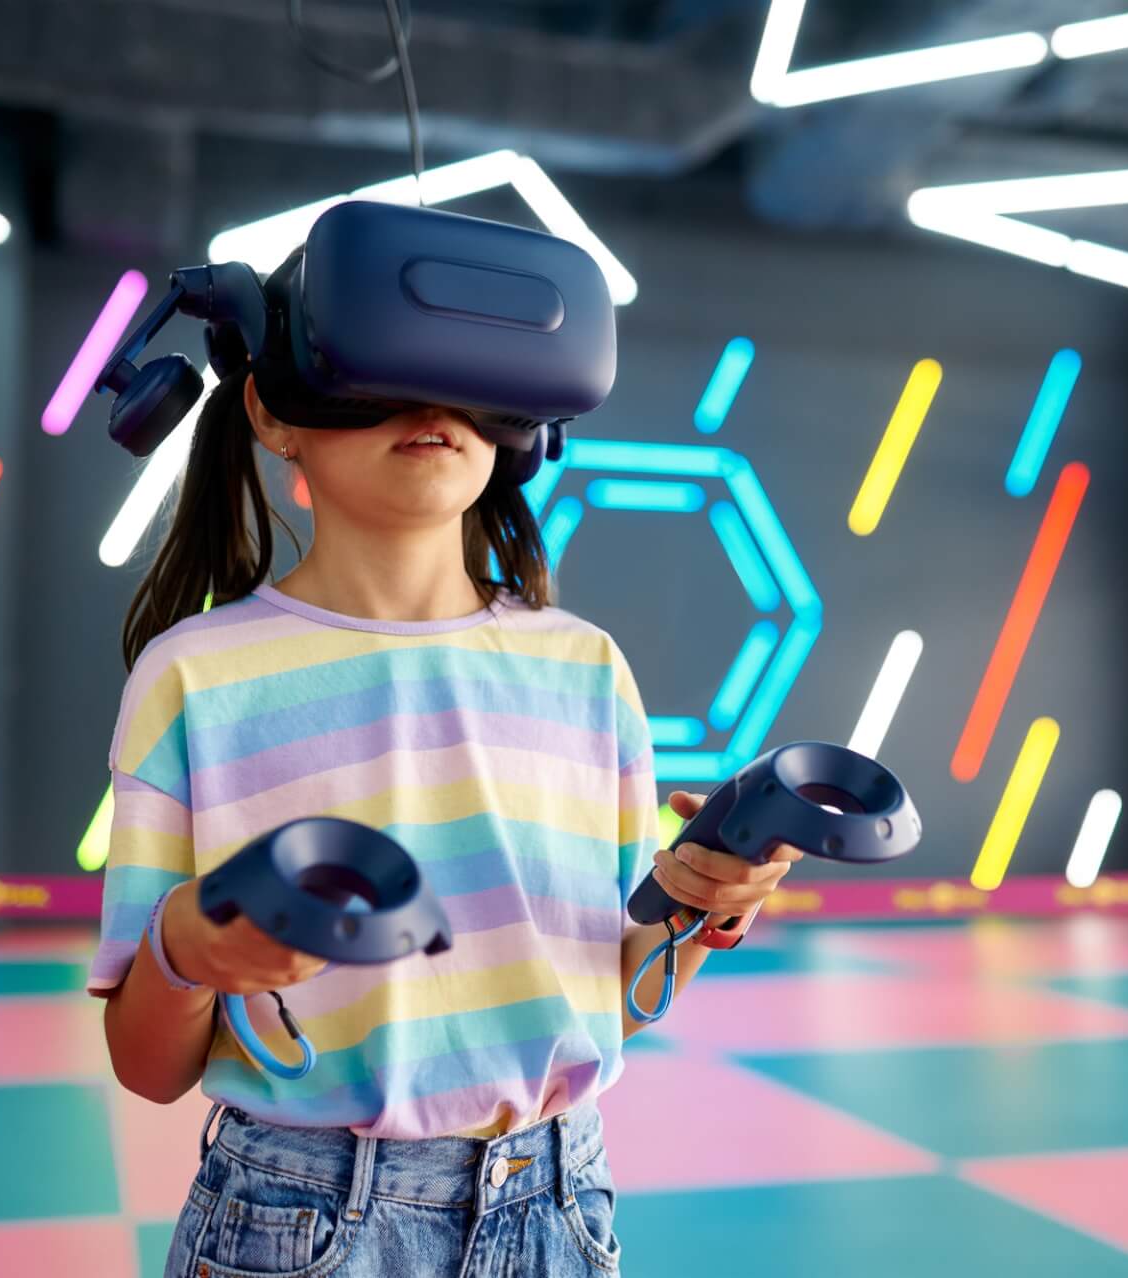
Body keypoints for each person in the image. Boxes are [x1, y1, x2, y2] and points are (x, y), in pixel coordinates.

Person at [86, 358, 801, 1277]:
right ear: (272, 410)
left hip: (560, 1210)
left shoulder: (587, 669)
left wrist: (706, 907)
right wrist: (183, 950)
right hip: (296, 1220)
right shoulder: (190, 676)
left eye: (467, 367)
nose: (432, 401)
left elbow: (608, 1002)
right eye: (373, 366)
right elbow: (148, 1070)